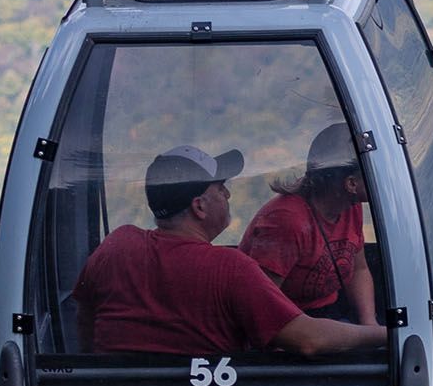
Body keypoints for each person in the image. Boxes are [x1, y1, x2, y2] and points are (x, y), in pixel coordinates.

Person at [70, 145, 385, 358]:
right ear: (200, 206)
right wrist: (383, 335)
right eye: (220, 188)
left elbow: (85, 317)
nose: (228, 193)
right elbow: (309, 341)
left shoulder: (116, 245)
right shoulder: (230, 268)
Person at [237, 122, 375, 325]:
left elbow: (359, 269)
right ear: (351, 184)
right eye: (373, 169)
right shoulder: (287, 221)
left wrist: (369, 324)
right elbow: (259, 304)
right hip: (287, 326)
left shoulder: (349, 206)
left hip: (326, 315)